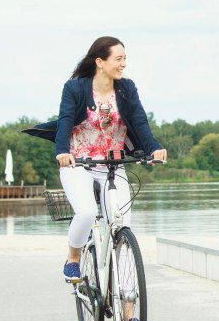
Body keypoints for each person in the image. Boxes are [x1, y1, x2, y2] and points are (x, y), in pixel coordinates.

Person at [24, 36, 167, 288]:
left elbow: (140, 121)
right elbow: (66, 120)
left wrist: (154, 148)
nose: (124, 64)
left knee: (123, 227)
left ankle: (129, 311)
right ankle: (73, 258)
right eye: (118, 59)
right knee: (87, 212)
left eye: (125, 59)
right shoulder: (75, 88)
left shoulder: (126, 88)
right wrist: (62, 152)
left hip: (113, 166)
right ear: (100, 62)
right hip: (78, 164)